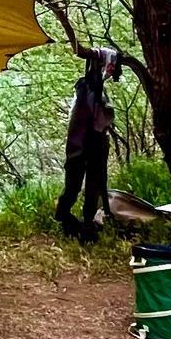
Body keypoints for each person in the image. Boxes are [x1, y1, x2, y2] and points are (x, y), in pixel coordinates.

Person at [56, 47, 120, 242]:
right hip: (84, 144)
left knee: (93, 185)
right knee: (76, 185)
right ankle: (67, 217)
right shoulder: (86, 90)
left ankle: (86, 225)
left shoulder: (92, 90)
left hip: (92, 143)